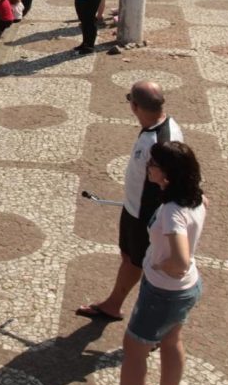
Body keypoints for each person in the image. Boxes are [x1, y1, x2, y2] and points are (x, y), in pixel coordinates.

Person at [78, 81, 182, 322]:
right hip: (133, 208)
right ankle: (114, 304)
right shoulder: (159, 127)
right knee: (130, 258)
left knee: (146, 265)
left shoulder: (160, 143)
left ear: (134, 106)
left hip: (145, 215)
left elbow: (169, 182)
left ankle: (152, 324)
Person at [118, 141, 207, 385]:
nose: (148, 167)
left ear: (167, 172)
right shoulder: (197, 197)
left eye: (153, 164)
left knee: (134, 350)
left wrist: (159, 264)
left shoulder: (171, 212)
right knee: (171, 340)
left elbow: (179, 262)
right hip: (187, 287)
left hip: (164, 292)